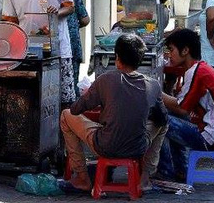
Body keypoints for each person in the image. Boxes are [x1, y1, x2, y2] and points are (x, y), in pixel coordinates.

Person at [60, 34, 168, 191]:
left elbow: (76, 109)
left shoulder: (105, 79)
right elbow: (162, 118)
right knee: (163, 124)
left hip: (105, 145)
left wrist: (95, 97)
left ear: (117, 58)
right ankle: (145, 178)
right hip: (137, 146)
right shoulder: (153, 84)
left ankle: (82, 177)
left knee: (66, 115)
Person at [2, 0, 77, 106]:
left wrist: (55, 14)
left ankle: (62, 133)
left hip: (58, 49)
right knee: (31, 101)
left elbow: (70, 7)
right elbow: (9, 20)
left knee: (62, 101)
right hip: (27, 51)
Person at [158, 28, 214, 181]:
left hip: (213, 137)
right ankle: (180, 170)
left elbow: (182, 109)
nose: (169, 54)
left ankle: (166, 171)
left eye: (172, 50)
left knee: (159, 120)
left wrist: (155, 91)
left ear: (185, 50)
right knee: (168, 116)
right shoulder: (201, 68)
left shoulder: (197, 72)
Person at [46, 0, 90, 98]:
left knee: (51, 89)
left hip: (55, 47)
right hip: (72, 44)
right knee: (71, 87)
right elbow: (85, 19)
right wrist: (74, 26)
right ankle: (70, 116)